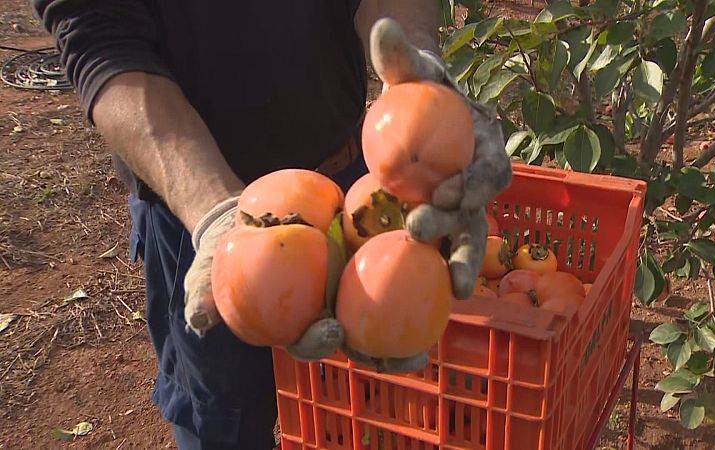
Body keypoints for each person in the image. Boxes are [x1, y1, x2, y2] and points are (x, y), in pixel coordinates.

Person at [31, 1, 512, 449]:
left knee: (356, 409)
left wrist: (416, 85)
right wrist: (213, 210)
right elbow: (102, 39)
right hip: (195, 209)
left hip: (354, 183)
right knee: (224, 418)